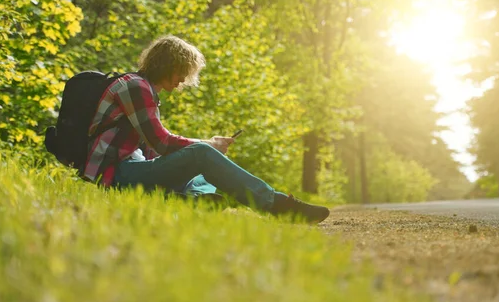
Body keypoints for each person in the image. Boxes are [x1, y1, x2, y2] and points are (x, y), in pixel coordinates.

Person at [83, 35, 330, 224]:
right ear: (167, 64)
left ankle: (194, 202)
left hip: (130, 169)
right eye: (181, 71)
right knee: (202, 154)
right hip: (116, 175)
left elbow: (151, 149)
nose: (182, 80)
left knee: (199, 173)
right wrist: (209, 145)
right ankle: (275, 204)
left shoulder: (144, 89)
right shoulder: (135, 87)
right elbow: (162, 143)